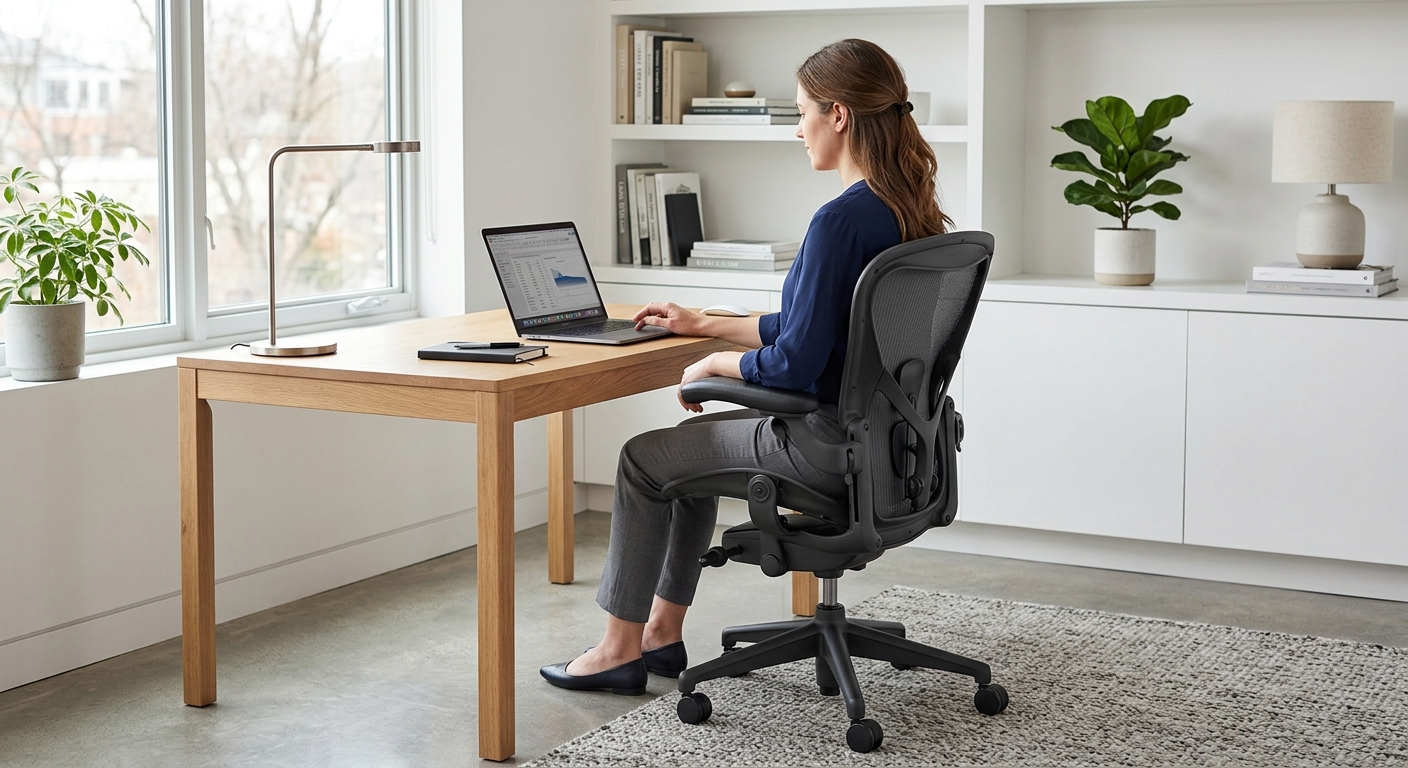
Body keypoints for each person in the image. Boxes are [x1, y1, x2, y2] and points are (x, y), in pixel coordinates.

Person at [539, 38, 955, 695]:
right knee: (689, 459)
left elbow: (793, 364)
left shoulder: (839, 223)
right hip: (891, 450)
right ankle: (660, 636)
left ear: (838, 114)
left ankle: (618, 648)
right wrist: (704, 322)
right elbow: (815, 333)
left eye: (801, 112)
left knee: (646, 461)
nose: (798, 128)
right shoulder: (906, 210)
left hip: (821, 448)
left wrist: (718, 364)